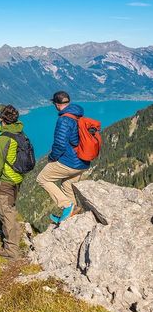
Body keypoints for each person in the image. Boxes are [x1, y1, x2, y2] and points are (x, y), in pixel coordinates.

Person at [36, 90, 90, 224]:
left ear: (56, 104)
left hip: (70, 162)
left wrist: (52, 158)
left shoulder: (64, 119)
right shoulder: (78, 115)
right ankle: (72, 216)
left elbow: (60, 144)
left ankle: (66, 206)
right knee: (67, 184)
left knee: (42, 179)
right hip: (83, 162)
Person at [0, 104, 25, 261]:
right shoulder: (19, 132)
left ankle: (11, 251)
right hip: (17, 178)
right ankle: (16, 239)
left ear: (1, 118)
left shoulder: (3, 139)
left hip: (6, 181)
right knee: (11, 209)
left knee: (5, 213)